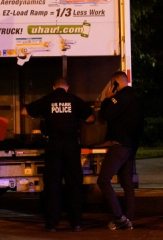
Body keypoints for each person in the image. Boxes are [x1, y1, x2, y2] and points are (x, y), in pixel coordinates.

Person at [21, 77, 94, 232]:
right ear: (67, 87)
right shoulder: (74, 100)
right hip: (72, 145)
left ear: (54, 87)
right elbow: (91, 117)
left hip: (53, 145)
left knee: (53, 185)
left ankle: (52, 224)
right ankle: (76, 223)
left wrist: (43, 116)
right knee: (74, 184)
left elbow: (24, 111)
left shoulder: (48, 100)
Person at [96, 71, 144, 230]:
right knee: (127, 183)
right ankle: (128, 218)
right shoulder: (135, 98)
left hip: (120, 145)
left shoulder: (121, 97)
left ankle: (119, 217)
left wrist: (107, 99)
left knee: (103, 180)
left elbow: (104, 115)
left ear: (115, 83)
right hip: (130, 147)